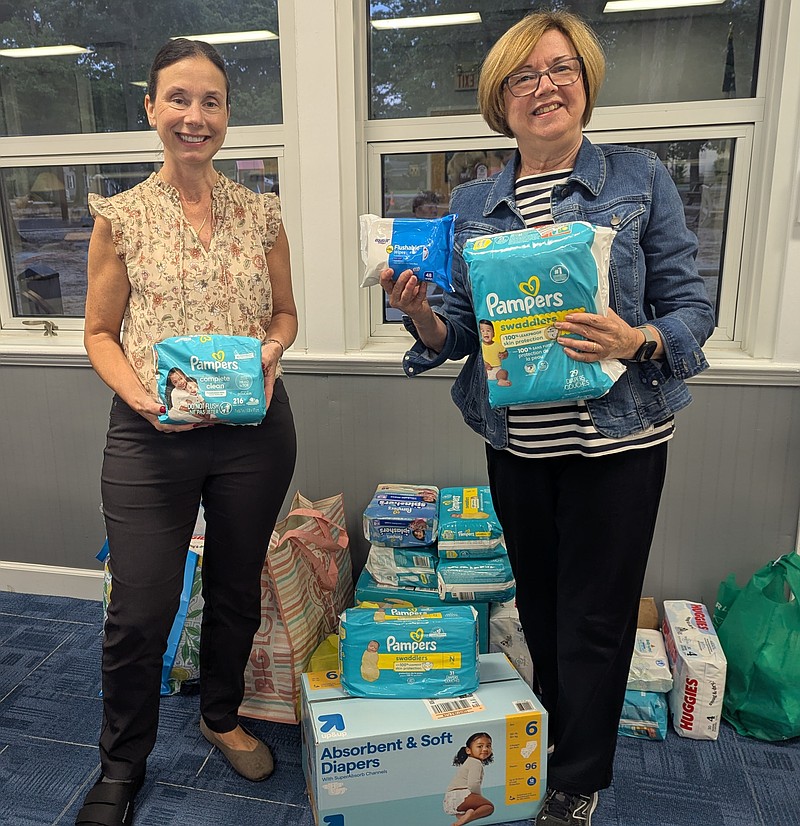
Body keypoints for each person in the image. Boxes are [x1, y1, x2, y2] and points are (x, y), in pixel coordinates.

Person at [381, 10, 714, 826]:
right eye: (524, 76)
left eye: (561, 69)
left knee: (596, 620)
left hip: (620, 439)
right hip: (520, 445)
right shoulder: (471, 203)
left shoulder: (639, 180)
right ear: (501, 98)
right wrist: (421, 315)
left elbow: (692, 306)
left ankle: (577, 779)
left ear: (586, 83)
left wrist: (635, 337)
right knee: (538, 608)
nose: (545, 87)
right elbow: (457, 331)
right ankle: (562, 734)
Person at [77, 37, 298, 826]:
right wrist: (141, 399)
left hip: (251, 429)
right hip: (150, 433)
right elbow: (100, 332)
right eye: (178, 99)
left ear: (228, 116)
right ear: (151, 108)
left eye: (210, 101)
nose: (194, 116)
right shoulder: (122, 217)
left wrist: (270, 351)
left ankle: (220, 713)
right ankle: (121, 762)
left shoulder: (259, 212)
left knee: (238, 586)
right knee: (139, 605)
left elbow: (284, 315)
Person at [443, 732, 495, 826]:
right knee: (488, 807)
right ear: (468, 750)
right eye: (480, 746)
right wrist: (479, 798)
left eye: (488, 746)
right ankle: (468, 818)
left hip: (450, 802)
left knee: (474, 808)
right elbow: (473, 784)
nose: (485, 749)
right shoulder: (475, 763)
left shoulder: (469, 762)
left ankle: (464, 817)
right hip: (460, 796)